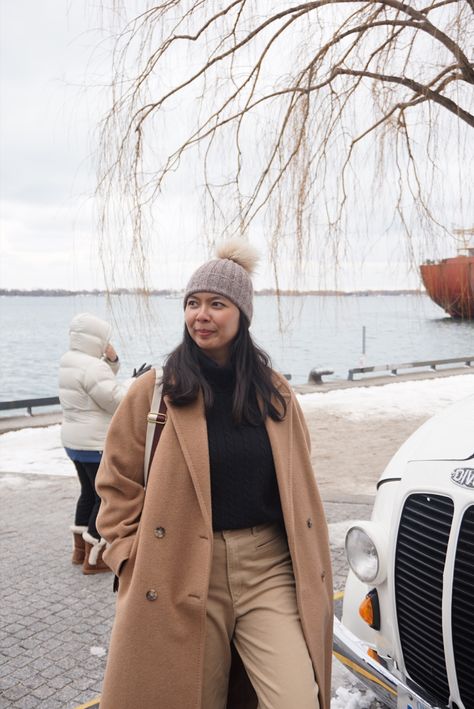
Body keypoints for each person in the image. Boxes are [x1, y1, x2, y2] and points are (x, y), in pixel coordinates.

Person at [96, 239, 333, 709]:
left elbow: (298, 474)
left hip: (269, 565)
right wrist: (129, 556)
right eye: (193, 303)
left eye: (217, 304)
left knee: (297, 698)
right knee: (191, 697)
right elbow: (117, 480)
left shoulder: (275, 392)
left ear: (242, 314)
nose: (201, 315)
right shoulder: (156, 391)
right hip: (182, 562)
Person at [59, 312, 127, 574]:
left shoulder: (70, 361)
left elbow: (94, 385)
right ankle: (94, 558)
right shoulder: (92, 367)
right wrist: (134, 383)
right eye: (105, 339)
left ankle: (79, 551)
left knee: (88, 492)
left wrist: (111, 361)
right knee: (105, 497)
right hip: (95, 444)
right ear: (96, 339)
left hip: (74, 442)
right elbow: (116, 400)